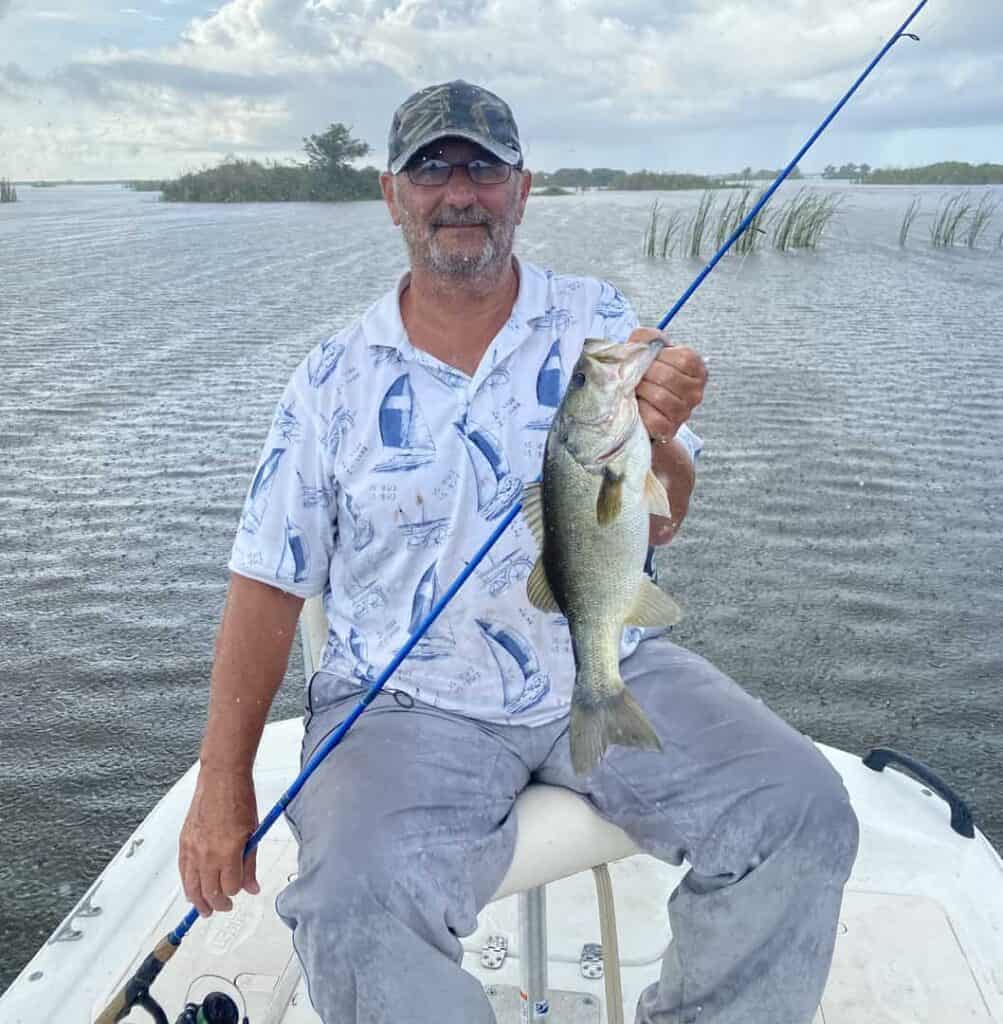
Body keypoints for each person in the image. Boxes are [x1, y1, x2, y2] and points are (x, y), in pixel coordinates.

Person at [179, 80, 859, 1024]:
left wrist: (658, 435)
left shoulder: (598, 324)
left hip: (606, 655)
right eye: (432, 169)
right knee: (347, 905)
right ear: (391, 195)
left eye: (483, 168)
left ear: (522, 188)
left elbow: (660, 521)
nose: (460, 192)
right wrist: (223, 784)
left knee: (800, 810)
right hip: (402, 700)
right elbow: (265, 582)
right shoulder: (330, 379)